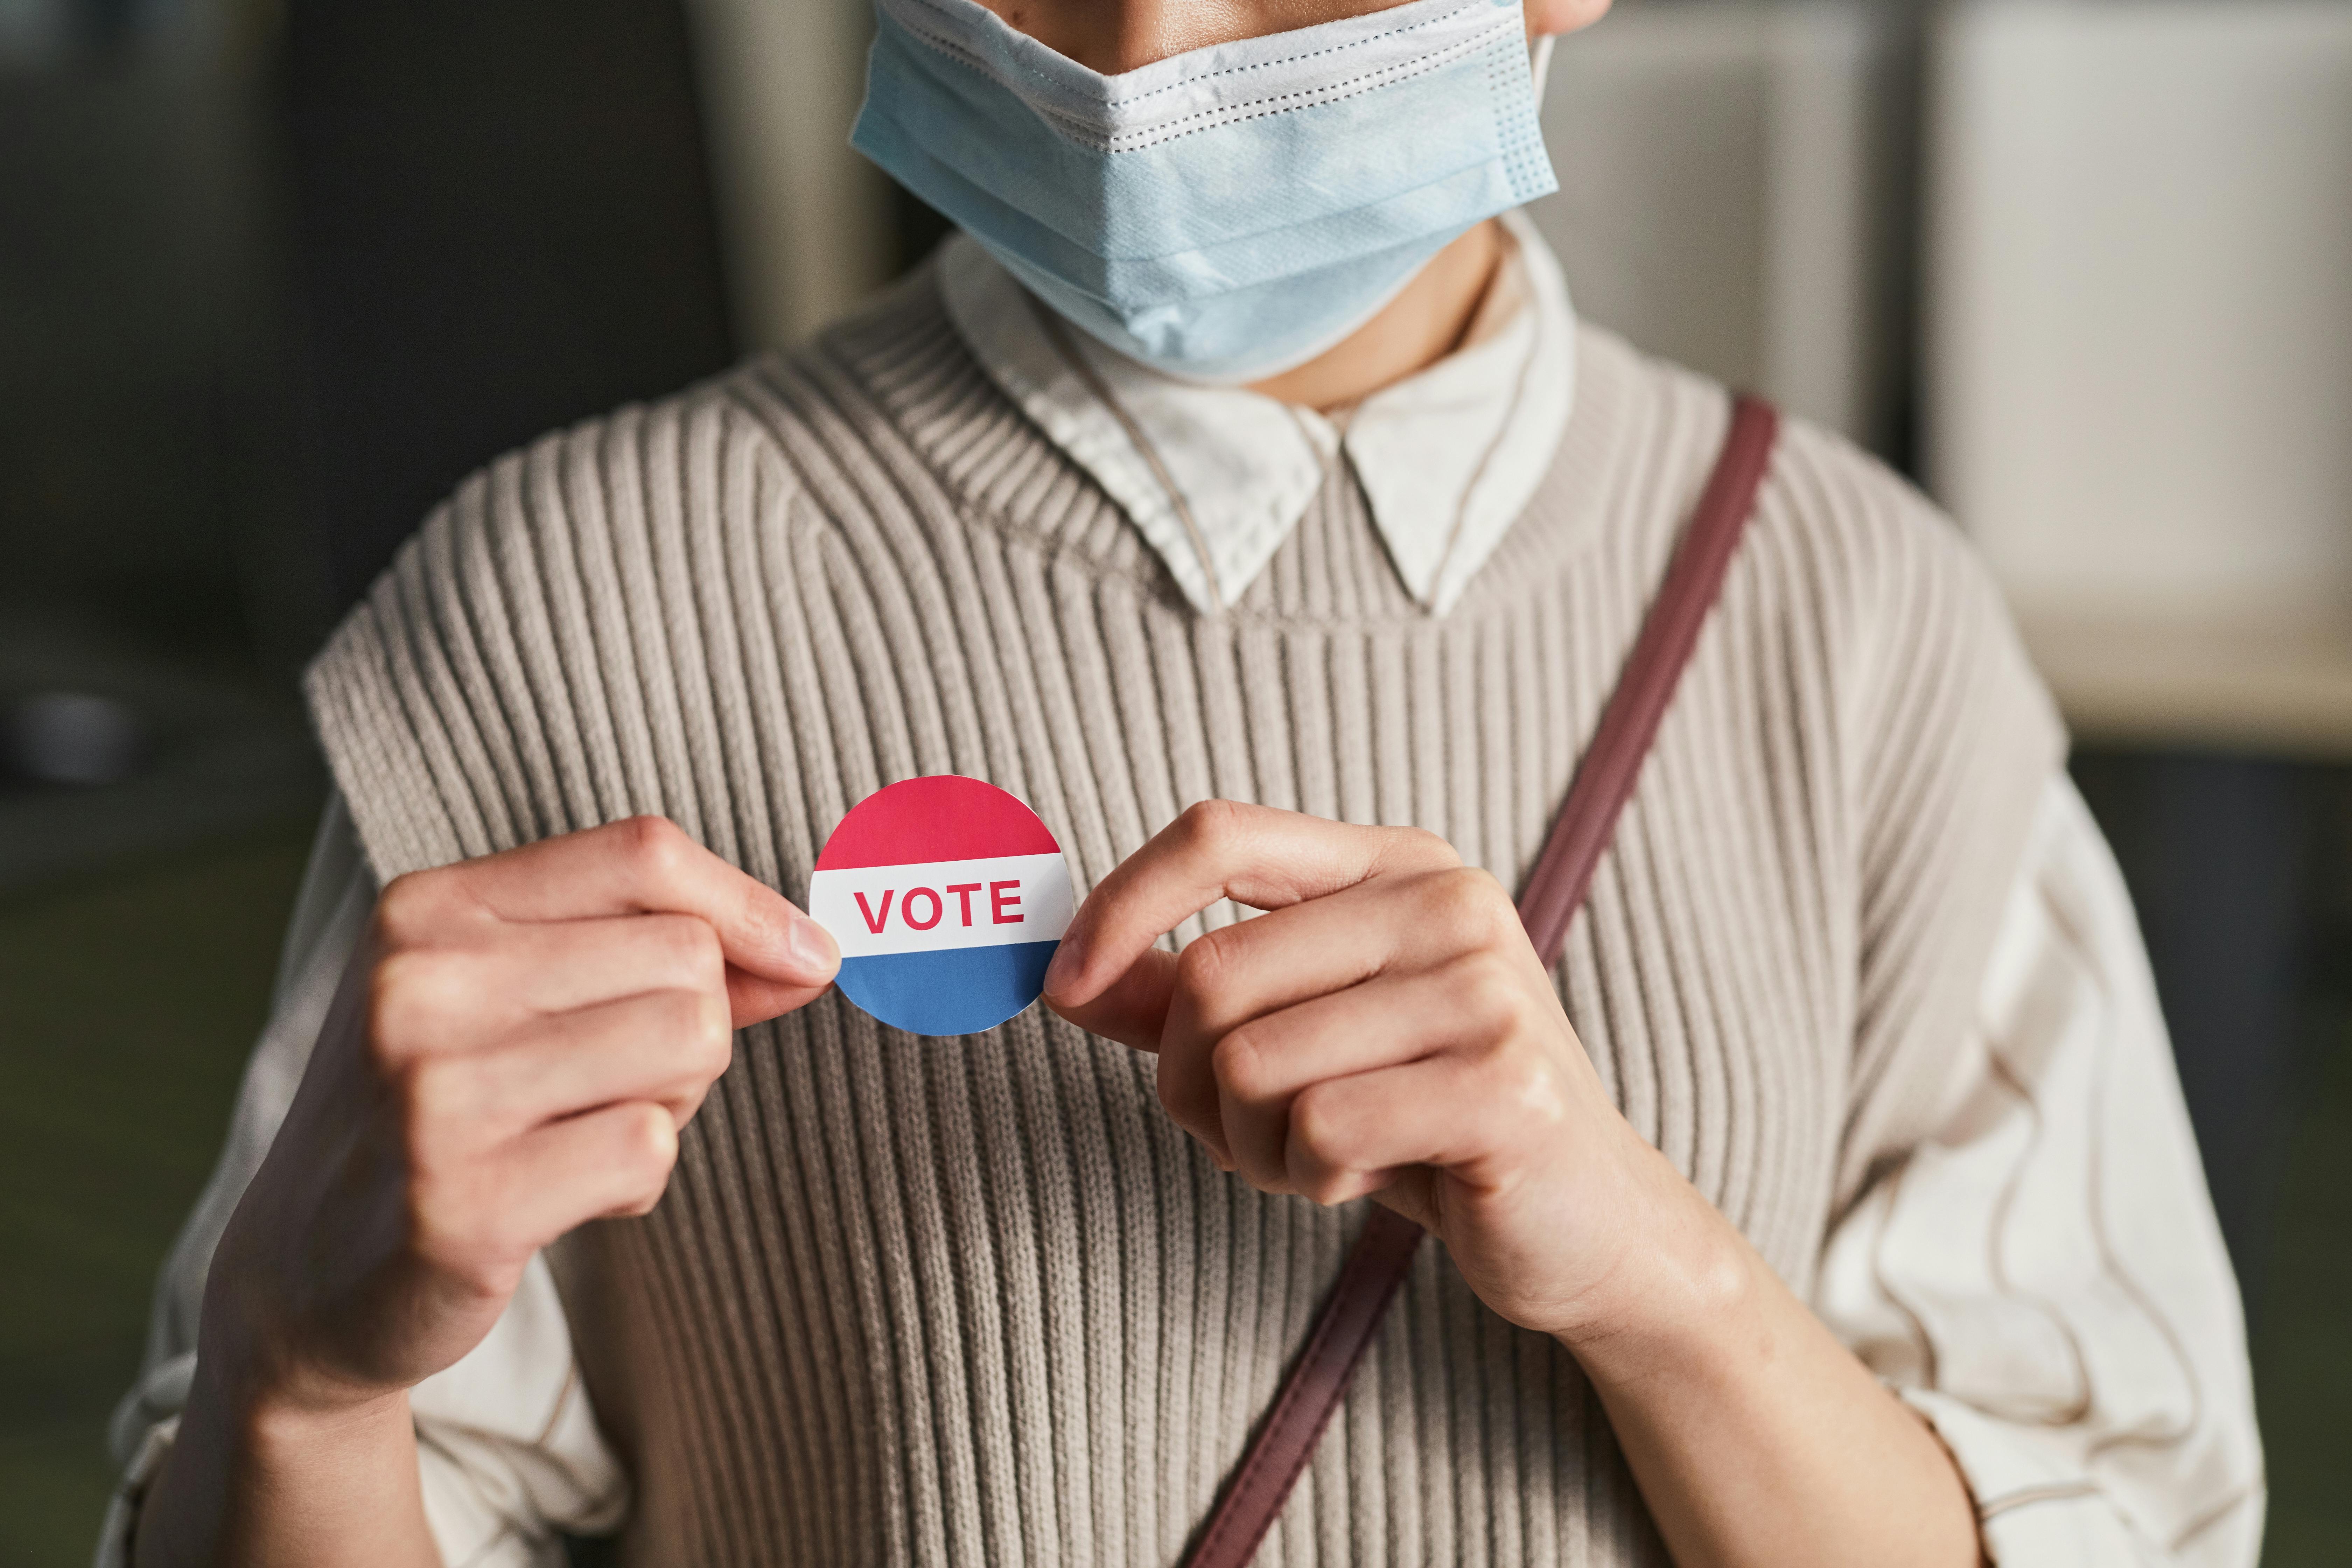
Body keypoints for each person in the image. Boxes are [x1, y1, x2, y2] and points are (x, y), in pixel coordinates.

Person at [105, 0, 2263, 1563]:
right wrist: (302, 1379)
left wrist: (1657, 1281)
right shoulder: (561, 602)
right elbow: (342, 1472)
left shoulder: (1860, 618)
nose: (1143, 54)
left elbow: (2119, 1517)